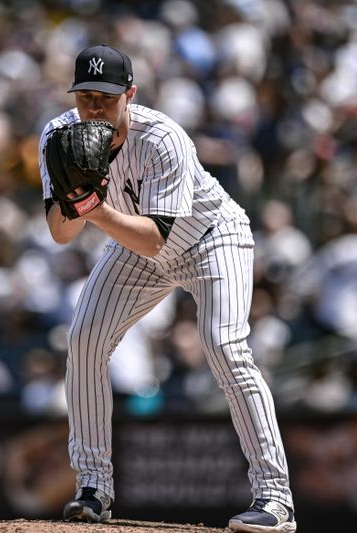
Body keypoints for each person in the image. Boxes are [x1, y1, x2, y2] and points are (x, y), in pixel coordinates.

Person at [38, 44, 297, 533]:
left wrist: (90, 205)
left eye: (106, 98)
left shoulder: (162, 138)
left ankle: (275, 498)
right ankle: (93, 488)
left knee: (224, 346)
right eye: (85, 96)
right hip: (131, 247)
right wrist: (75, 199)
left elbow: (157, 239)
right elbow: (60, 233)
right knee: (84, 339)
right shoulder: (57, 135)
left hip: (209, 238)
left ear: (129, 95)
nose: (94, 108)